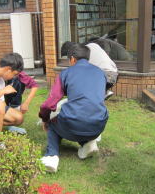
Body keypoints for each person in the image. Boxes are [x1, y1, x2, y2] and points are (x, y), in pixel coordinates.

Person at [39, 43, 109, 173]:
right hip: (99, 125)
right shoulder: (101, 73)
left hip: (74, 123)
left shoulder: (65, 73)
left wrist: (44, 118)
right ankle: (87, 144)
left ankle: (51, 156)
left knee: (53, 122)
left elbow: (50, 104)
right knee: (81, 116)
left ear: (72, 59)